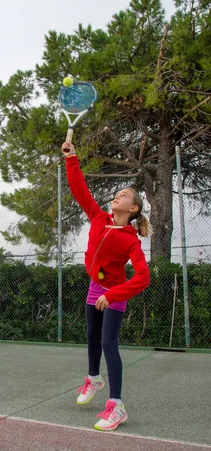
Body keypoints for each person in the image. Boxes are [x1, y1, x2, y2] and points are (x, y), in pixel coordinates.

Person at [61, 142, 151, 431]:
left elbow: (143, 277)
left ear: (133, 208)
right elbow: (80, 191)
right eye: (117, 194)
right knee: (91, 336)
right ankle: (94, 379)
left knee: (108, 343)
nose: (117, 196)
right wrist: (71, 158)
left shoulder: (130, 240)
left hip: (115, 292)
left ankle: (117, 405)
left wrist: (112, 295)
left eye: (123, 195)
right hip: (94, 287)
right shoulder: (99, 218)